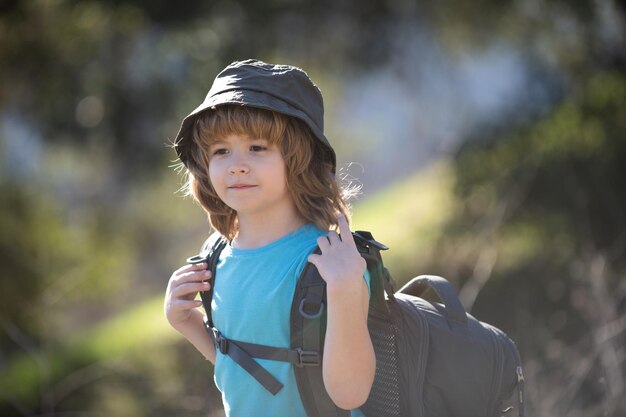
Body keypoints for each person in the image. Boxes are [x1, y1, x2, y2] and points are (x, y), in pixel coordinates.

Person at [164, 59, 375, 417]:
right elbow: (246, 365)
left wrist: (346, 290)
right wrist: (185, 323)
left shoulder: (328, 263)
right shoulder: (215, 258)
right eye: (221, 151)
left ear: (298, 159)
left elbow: (350, 393)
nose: (237, 165)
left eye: (257, 148)